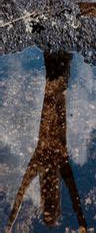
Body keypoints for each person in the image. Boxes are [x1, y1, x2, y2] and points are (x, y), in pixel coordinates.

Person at [6, 52, 87, 231]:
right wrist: (81, 222)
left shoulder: (49, 165)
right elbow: (74, 198)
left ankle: (54, 48)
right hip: (55, 99)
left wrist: (10, 224)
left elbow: (21, 194)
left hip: (54, 98)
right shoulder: (54, 166)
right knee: (55, 82)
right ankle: (54, 48)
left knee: (55, 82)